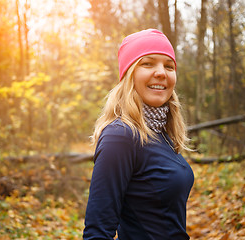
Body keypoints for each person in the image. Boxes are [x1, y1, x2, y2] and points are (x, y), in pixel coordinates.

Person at [83, 29, 194, 240]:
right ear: (129, 74)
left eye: (168, 66)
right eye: (148, 63)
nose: (161, 72)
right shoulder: (121, 136)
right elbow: (97, 232)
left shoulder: (161, 133)